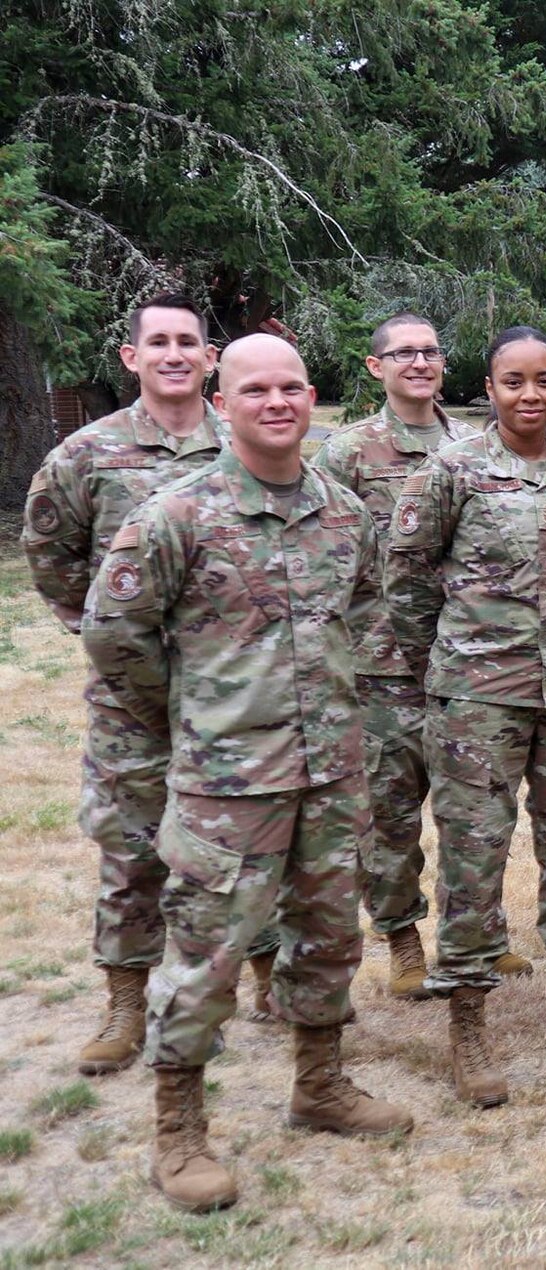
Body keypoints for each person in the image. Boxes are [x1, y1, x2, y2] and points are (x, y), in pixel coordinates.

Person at [83, 334, 412, 1213]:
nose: (276, 403)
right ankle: (179, 1130)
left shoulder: (345, 513)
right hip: (227, 784)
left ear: (314, 399)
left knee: (329, 935)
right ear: (222, 403)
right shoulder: (176, 516)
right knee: (207, 956)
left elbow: (369, 613)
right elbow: (115, 635)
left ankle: (320, 1084)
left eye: (292, 388)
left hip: (331, 773)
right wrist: (190, 717)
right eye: (255, 389)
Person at [386, 325, 546, 1107]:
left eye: (544, 381)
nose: (531, 396)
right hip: (476, 700)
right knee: (474, 859)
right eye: (513, 382)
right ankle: (468, 1026)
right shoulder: (451, 471)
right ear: (488, 388)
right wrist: (452, 666)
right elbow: (409, 580)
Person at [22, 293, 229, 1076]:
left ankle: (268, 977)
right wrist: (99, 630)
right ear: (132, 359)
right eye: (160, 343)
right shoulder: (86, 454)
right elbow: (51, 549)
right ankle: (123, 1000)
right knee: (132, 848)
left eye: (190, 342)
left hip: (228, 689)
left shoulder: (239, 443)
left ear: (210, 358)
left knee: (244, 840)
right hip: (131, 699)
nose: (175, 354)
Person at [312, 311, 488, 996]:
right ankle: (404, 940)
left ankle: (475, 932)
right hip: (382, 669)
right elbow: (324, 559)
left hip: (469, 662)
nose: (420, 362)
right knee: (387, 816)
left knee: (475, 815)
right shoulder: (347, 454)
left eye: (431, 352)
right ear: (374, 366)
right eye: (404, 353)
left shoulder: (474, 446)